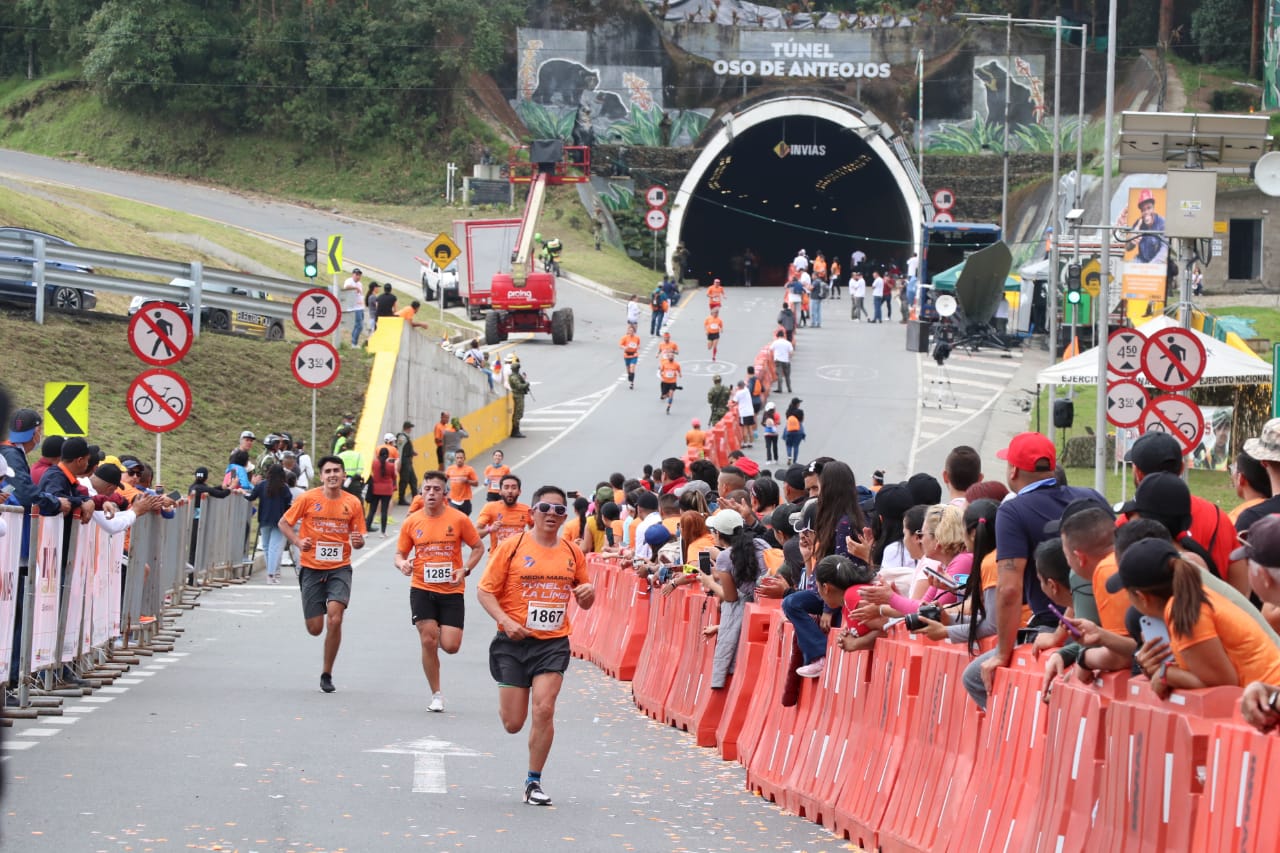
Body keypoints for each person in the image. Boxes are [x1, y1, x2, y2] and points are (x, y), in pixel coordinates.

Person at [475, 485, 595, 806]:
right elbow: (485, 592)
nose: (551, 515)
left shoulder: (572, 552)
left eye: (559, 511)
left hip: (552, 643)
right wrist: (507, 621)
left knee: (544, 708)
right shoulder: (510, 548)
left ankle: (533, 781)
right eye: (545, 508)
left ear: (564, 517)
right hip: (512, 642)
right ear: (532, 513)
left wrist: (588, 595)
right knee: (513, 723)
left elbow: (585, 597)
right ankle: (512, 705)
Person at [970, 432, 1104, 710]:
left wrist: (1002, 654)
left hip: (1047, 623)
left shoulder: (1012, 512)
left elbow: (1009, 587)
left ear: (1014, 470)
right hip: (1104, 621)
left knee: (973, 676)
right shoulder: (1090, 497)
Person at [1108, 537, 1280, 700]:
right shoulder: (1191, 598)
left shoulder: (1182, 609)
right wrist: (1161, 669)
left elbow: (1223, 684)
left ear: (1142, 597)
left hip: (1269, 701)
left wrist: (1165, 673)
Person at [394, 471, 484, 712]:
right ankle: (436, 694)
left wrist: (465, 569)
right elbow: (399, 554)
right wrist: (403, 564)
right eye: (427, 489)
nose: (431, 493)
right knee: (428, 639)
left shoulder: (459, 519)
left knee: (451, 646)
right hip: (422, 587)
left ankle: (440, 632)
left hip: (452, 589)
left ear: (445, 493)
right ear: (421, 492)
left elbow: (477, 547)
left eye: (436, 489)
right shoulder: (412, 521)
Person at [277, 455, 367, 693]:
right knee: (315, 628)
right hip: (311, 567)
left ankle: (327, 673)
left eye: (337, 470)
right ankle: (317, 610)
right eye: (328, 471)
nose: (333, 475)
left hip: (340, 567)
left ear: (344, 475)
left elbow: (358, 540)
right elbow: (283, 523)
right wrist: (298, 541)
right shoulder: (308, 498)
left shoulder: (353, 503)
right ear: (322, 476)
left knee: (335, 619)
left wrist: (357, 542)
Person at [246, 464, 293, 583]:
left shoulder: (262, 485)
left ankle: (270, 573)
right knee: (274, 548)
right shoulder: (284, 487)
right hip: (279, 520)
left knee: (266, 547)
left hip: (264, 519)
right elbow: (289, 504)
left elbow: (251, 497)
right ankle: (271, 575)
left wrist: (242, 492)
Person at [476, 473, 532, 551]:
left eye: (514, 488)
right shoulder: (490, 507)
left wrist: (526, 538)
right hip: (496, 558)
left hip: (518, 558)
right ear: (500, 491)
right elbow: (476, 534)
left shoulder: (526, 510)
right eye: (506, 487)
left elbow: (536, 533)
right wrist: (490, 529)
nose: (510, 491)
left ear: (519, 491)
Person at [1126, 189, 1168, 264]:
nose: (1146, 212)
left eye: (1149, 208)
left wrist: (1150, 266)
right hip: (1141, 260)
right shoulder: (1138, 224)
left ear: (1153, 208)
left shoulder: (1162, 223)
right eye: (1143, 210)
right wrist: (1132, 241)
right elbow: (1128, 248)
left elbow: (1164, 249)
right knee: (1130, 267)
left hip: (1157, 261)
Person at [365, 446, 397, 536]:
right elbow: (394, 477)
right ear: (387, 456)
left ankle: (366, 530)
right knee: (384, 511)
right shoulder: (391, 466)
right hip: (387, 490)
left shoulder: (374, 463)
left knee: (372, 510)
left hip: (375, 489)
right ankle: (383, 532)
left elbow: (373, 473)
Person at [445, 449, 480, 516]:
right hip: (453, 499)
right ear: (455, 459)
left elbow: (476, 483)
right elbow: (443, 481)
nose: (459, 460)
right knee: (454, 518)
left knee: (464, 519)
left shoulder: (469, 469)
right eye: (457, 458)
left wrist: (467, 481)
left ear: (464, 458)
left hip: (465, 500)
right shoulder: (450, 469)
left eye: (461, 458)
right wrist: (445, 493)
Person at [507, 356, 530, 437]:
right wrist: (526, 384)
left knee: (519, 413)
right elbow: (519, 386)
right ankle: (515, 431)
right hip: (517, 395)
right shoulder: (514, 377)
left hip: (519, 395)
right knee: (518, 413)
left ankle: (516, 430)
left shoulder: (516, 376)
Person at [342, 268, 365, 347]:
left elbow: (360, 294)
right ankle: (354, 343)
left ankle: (354, 342)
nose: (358, 277)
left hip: (360, 306)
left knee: (358, 325)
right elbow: (346, 287)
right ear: (353, 274)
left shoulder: (360, 284)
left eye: (359, 275)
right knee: (359, 325)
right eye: (356, 275)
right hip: (354, 307)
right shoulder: (349, 281)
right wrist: (355, 288)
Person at [732, 380, 755, 448]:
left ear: (739, 386)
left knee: (744, 428)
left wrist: (733, 393)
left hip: (744, 413)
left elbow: (734, 401)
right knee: (750, 428)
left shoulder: (738, 393)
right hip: (750, 411)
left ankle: (745, 443)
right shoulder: (746, 390)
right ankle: (751, 443)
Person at [783, 399, 805, 465]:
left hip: (789, 429)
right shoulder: (800, 411)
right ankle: (794, 461)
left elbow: (787, 419)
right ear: (797, 404)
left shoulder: (788, 411)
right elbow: (802, 420)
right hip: (798, 430)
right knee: (796, 446)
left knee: (788, 445)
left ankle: (789, 456)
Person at [659, 351, 682, 415]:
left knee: (671, 393)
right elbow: (661, 371)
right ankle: (667, 394)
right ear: (668, 357)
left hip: (672, 382)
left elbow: (679, 370)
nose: (671, 357)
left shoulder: (676, 364)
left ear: (674, 357)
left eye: (672, 356)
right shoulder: (664, 364)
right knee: (663, 396)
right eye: (670, 356)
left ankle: (668, 407)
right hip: (665, 382)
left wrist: (680, 374)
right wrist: (661, 373)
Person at [619, 323, 641, 389]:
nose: (631, 332)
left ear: (634, 331)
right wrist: (624, 347)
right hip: (627, 354)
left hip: (634, 354)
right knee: (628, 369)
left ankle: (632, 383)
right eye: (630, 331)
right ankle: (629, 375)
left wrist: (637, 347)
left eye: (632, 331)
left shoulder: (637, 338)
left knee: (632, 367)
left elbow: (638, 344)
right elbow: (620, 345)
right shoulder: (624, 337)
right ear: (628, 331)